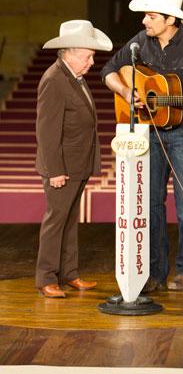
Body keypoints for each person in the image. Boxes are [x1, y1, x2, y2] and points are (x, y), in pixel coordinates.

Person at [101, 0, 183, 292]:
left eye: (151, 16)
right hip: (149, 132)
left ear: (170, 19)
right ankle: (155, 272)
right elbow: (109, 71)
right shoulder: (140, 42)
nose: (144, 22)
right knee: (151, 204)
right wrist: (127, 92)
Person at [35, 20, 113, 298]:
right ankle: (46, 277)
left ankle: (69, 274)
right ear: (68, 52)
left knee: (69, 221)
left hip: (77, 164)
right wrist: (55, 170)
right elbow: (46, 131)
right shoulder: (54, 79)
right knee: (56, 220)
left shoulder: (72, 77)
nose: (92, 61)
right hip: (62, 167)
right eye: (88, 55)